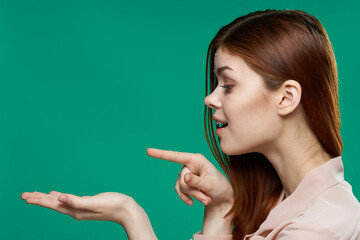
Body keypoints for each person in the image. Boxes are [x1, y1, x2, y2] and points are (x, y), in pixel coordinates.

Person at [21, 9, 360, 240]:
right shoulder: (283, 202)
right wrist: (222, 207)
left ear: (286, 97)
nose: (210, 99)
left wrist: (131, 215)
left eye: (227, 85)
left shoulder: (322, 226)